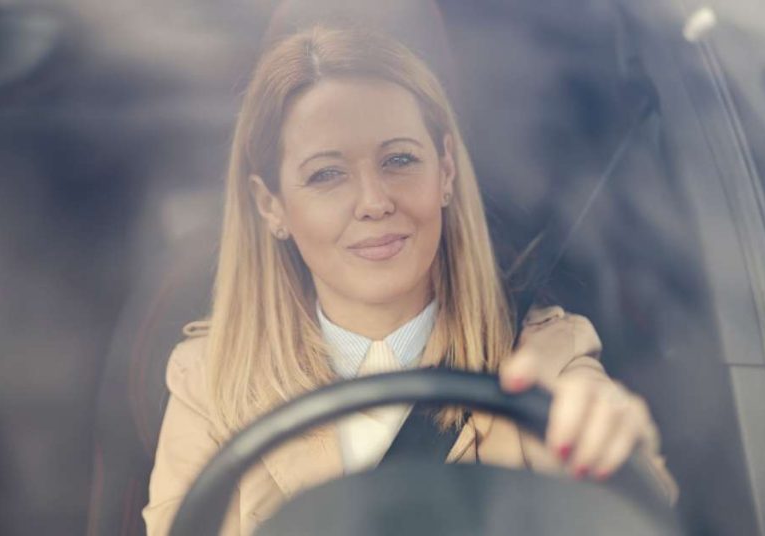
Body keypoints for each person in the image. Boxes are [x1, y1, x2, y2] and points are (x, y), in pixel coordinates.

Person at [144, 26, 677, 535]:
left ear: (444, 172)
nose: (375, 202)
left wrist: (605, 447)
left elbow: (626, 498)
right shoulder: (209, 384)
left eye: (399, 159)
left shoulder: (544, 360)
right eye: (327, 174)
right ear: (271, 205)